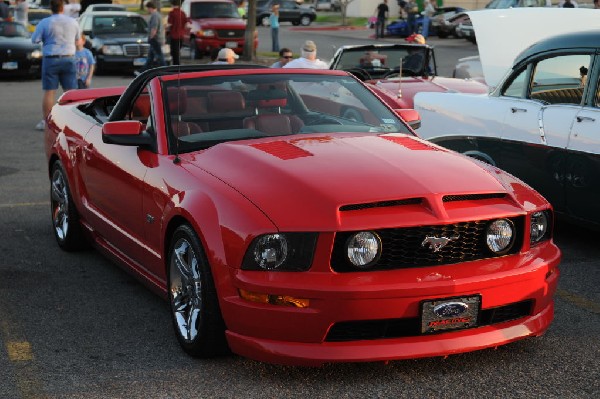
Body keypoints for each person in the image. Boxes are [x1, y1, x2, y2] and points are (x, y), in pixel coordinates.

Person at [31, 0, 80, 130]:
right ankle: (73, 122)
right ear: (62, 8)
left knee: (49, 92)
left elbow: (34, 39)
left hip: (51, 58)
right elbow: (78, 39)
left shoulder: (45, 22)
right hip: (69, 57)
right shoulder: (72, 22)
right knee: (70, 92)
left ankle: (47, 122)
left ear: (50, 8)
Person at [142, 1, 166, 71]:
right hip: (159, 38)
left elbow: (154, 28)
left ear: (150, 8)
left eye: (148, 8)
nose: (147, 10)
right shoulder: (159, 15)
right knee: (150, 57)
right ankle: (144, 70)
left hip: (155, 39)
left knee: (159, 56)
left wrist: (151, 38)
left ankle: (165, 70)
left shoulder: (154, 16)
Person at [167, 0, 189, 65]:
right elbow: (186, 24)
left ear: (172, 4)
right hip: (181, 35)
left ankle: (175, 66)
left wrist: (165, 27)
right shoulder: (182, 13)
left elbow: (169, 24)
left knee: (174, 53)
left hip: (174, 35)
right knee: (178, 51)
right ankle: (177, 64)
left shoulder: (172, 13)